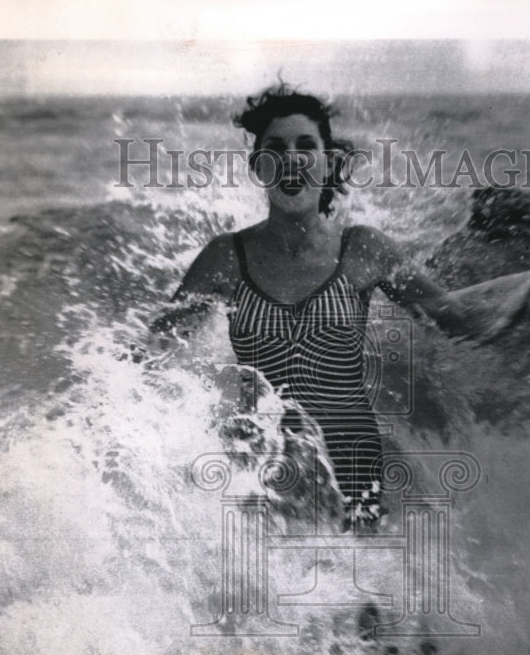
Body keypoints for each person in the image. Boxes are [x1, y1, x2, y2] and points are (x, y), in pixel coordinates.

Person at [152, 84, 491, 531]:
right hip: (264, 461)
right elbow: (157, 346)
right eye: (275, 148)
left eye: (306, 146)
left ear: (329, 163)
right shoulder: (225, 258)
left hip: (352, 461)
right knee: (264, 590)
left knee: (361, 593)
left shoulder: (363, 249)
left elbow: (455, 320)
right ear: (259, 167)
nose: (291, 158)